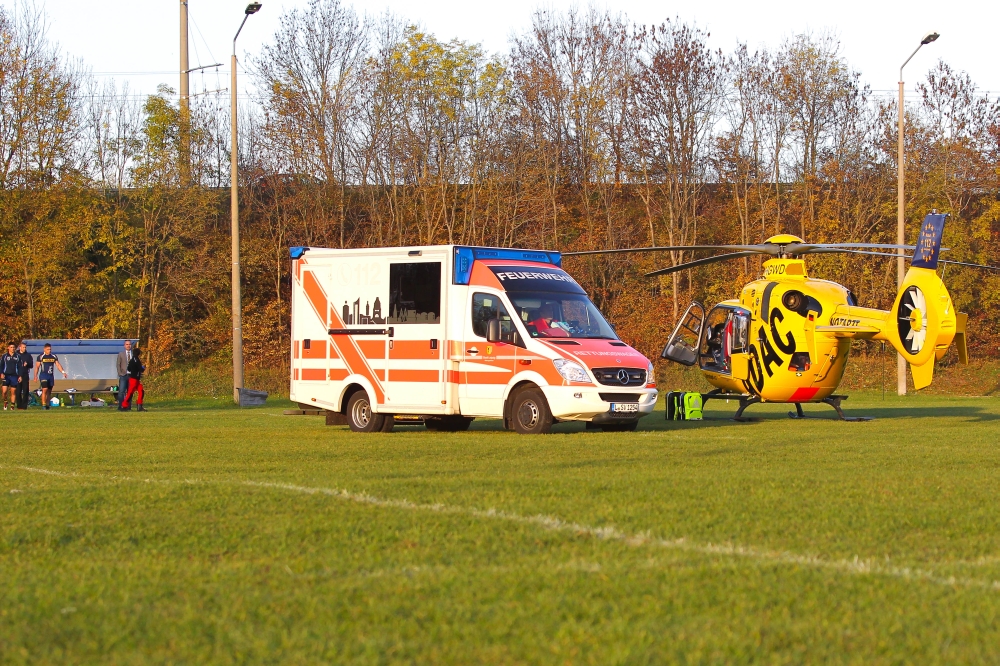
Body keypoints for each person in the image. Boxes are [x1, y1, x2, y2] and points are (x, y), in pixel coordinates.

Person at [35, 343, 67, 410]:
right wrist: (35, 376)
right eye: (48, 349)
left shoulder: (53, 356)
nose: (49, 350)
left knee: (49, 391)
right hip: (43, 375)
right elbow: (37, 367)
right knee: (44, 389)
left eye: (50, 349)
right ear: (44, 349)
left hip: (50, 376)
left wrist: (63, 372)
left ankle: (47, 405)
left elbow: (58, 365)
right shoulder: (41, 356)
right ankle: (43, 405)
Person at [120, 346, 146, 412]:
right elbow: (141, 369)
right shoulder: (137, 360)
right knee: (130, 393)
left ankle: (139, 406)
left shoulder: (131, 360)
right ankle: (124, 406)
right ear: (138, 353)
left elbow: (128, 369)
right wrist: (143, 368)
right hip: (134, 379)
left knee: (140, 390)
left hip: (134, 379)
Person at [15, 341, 32, 410]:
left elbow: (31, 365)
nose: (24, 348)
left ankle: (24, 406)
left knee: (25, 391)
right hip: (17, 375)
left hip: (25, 375)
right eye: (23, 347)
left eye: (25, 347)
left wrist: (27, 364)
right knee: (18, 391)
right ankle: (19, 405)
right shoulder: (16, 354)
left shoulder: (28, 355)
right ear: (20, 347)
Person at [1, 343, 18, 410]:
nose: (12, 348)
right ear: (8, 348)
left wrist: (20, 376)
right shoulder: (4, 356)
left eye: (13, 347)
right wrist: (1, 373)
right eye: (11, 347)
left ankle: (12, 406)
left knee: (13, 391)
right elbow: (1, 365)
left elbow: (20, 367)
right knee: (4, 391)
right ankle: (5, 401)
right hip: (6, 375)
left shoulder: (17, 356)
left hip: (14, 376)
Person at [116, 339, 132, 406]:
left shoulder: (133, 354)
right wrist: (120, 373)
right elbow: (118, 364)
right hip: (123, 375)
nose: (128, 346)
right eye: (127, 344)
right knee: (121, 391)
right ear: (124, 345)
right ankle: (121, 406)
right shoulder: (121, 354)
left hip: (131, 376)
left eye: (129, 344)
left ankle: (128, 406)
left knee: (130, 392)